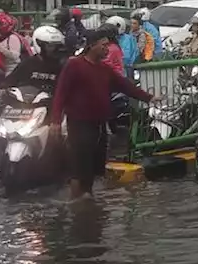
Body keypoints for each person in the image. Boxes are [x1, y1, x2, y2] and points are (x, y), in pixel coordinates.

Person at [50, 29, 159, 200]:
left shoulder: (104, 69)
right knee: (79, 166)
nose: (107, 49)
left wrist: (149, 98)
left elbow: (126, 86)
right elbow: (60, 94)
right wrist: (55, 120)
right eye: (104, 45)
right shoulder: (74, 65)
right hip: (79, 124)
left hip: (99, 124)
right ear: (92, 45)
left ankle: (88, 197)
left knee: (95, 166)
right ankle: (77, 202)